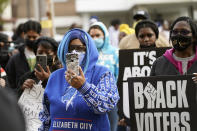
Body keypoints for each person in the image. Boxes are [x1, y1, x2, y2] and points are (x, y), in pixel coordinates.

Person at [39, 28, 120, 131]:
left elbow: (106, 105)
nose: (74, 52)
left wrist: (84, 87)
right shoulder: (55, 76)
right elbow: (46, 117)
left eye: (80, 48)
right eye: (70, 48)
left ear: (88, 50)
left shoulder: (103, 73)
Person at [88, 22, 119, 131]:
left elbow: (119, 75)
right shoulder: (87, 55)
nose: (94, 38)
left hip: (110, 99)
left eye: (97, 35)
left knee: (111, 127)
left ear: (105, 36)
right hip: (89, 98)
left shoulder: (115, 52)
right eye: (91, 36)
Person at [5, 20, 42, 92]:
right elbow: (9, 87)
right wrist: (21, 89)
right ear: (23, 35)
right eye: (29, 37)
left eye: (34, 37)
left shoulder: (46, 57)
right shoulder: (15, 59)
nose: (31, 39)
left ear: (40, 35)